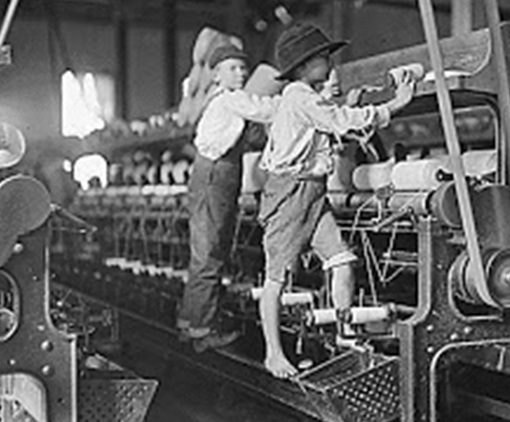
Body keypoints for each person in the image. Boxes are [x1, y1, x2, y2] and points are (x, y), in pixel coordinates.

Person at [257, 23, 415, 378]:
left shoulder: (303, 97)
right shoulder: (299, 96)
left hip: (313, 192)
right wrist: (395, 105)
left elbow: (336, 119)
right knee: (276, 278)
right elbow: (341, 120)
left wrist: (351, 105)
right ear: (301, 67)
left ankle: (344, 334)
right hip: (291, 194)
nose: (329, 64)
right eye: (322, 58)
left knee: (342, 260)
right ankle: (273, 354)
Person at [177, 44, 280, 352]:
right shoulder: (231, 99)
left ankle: (190, 322)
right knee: (210, 255)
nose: (241, 72)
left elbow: (252, 131)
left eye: (242, 68)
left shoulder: (220, 100)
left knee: (206, 254)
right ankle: (203, 331)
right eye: (232, 68)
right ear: (217, 74)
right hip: (215, 176)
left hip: (215, 174)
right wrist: (300, 100)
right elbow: (265, 109)